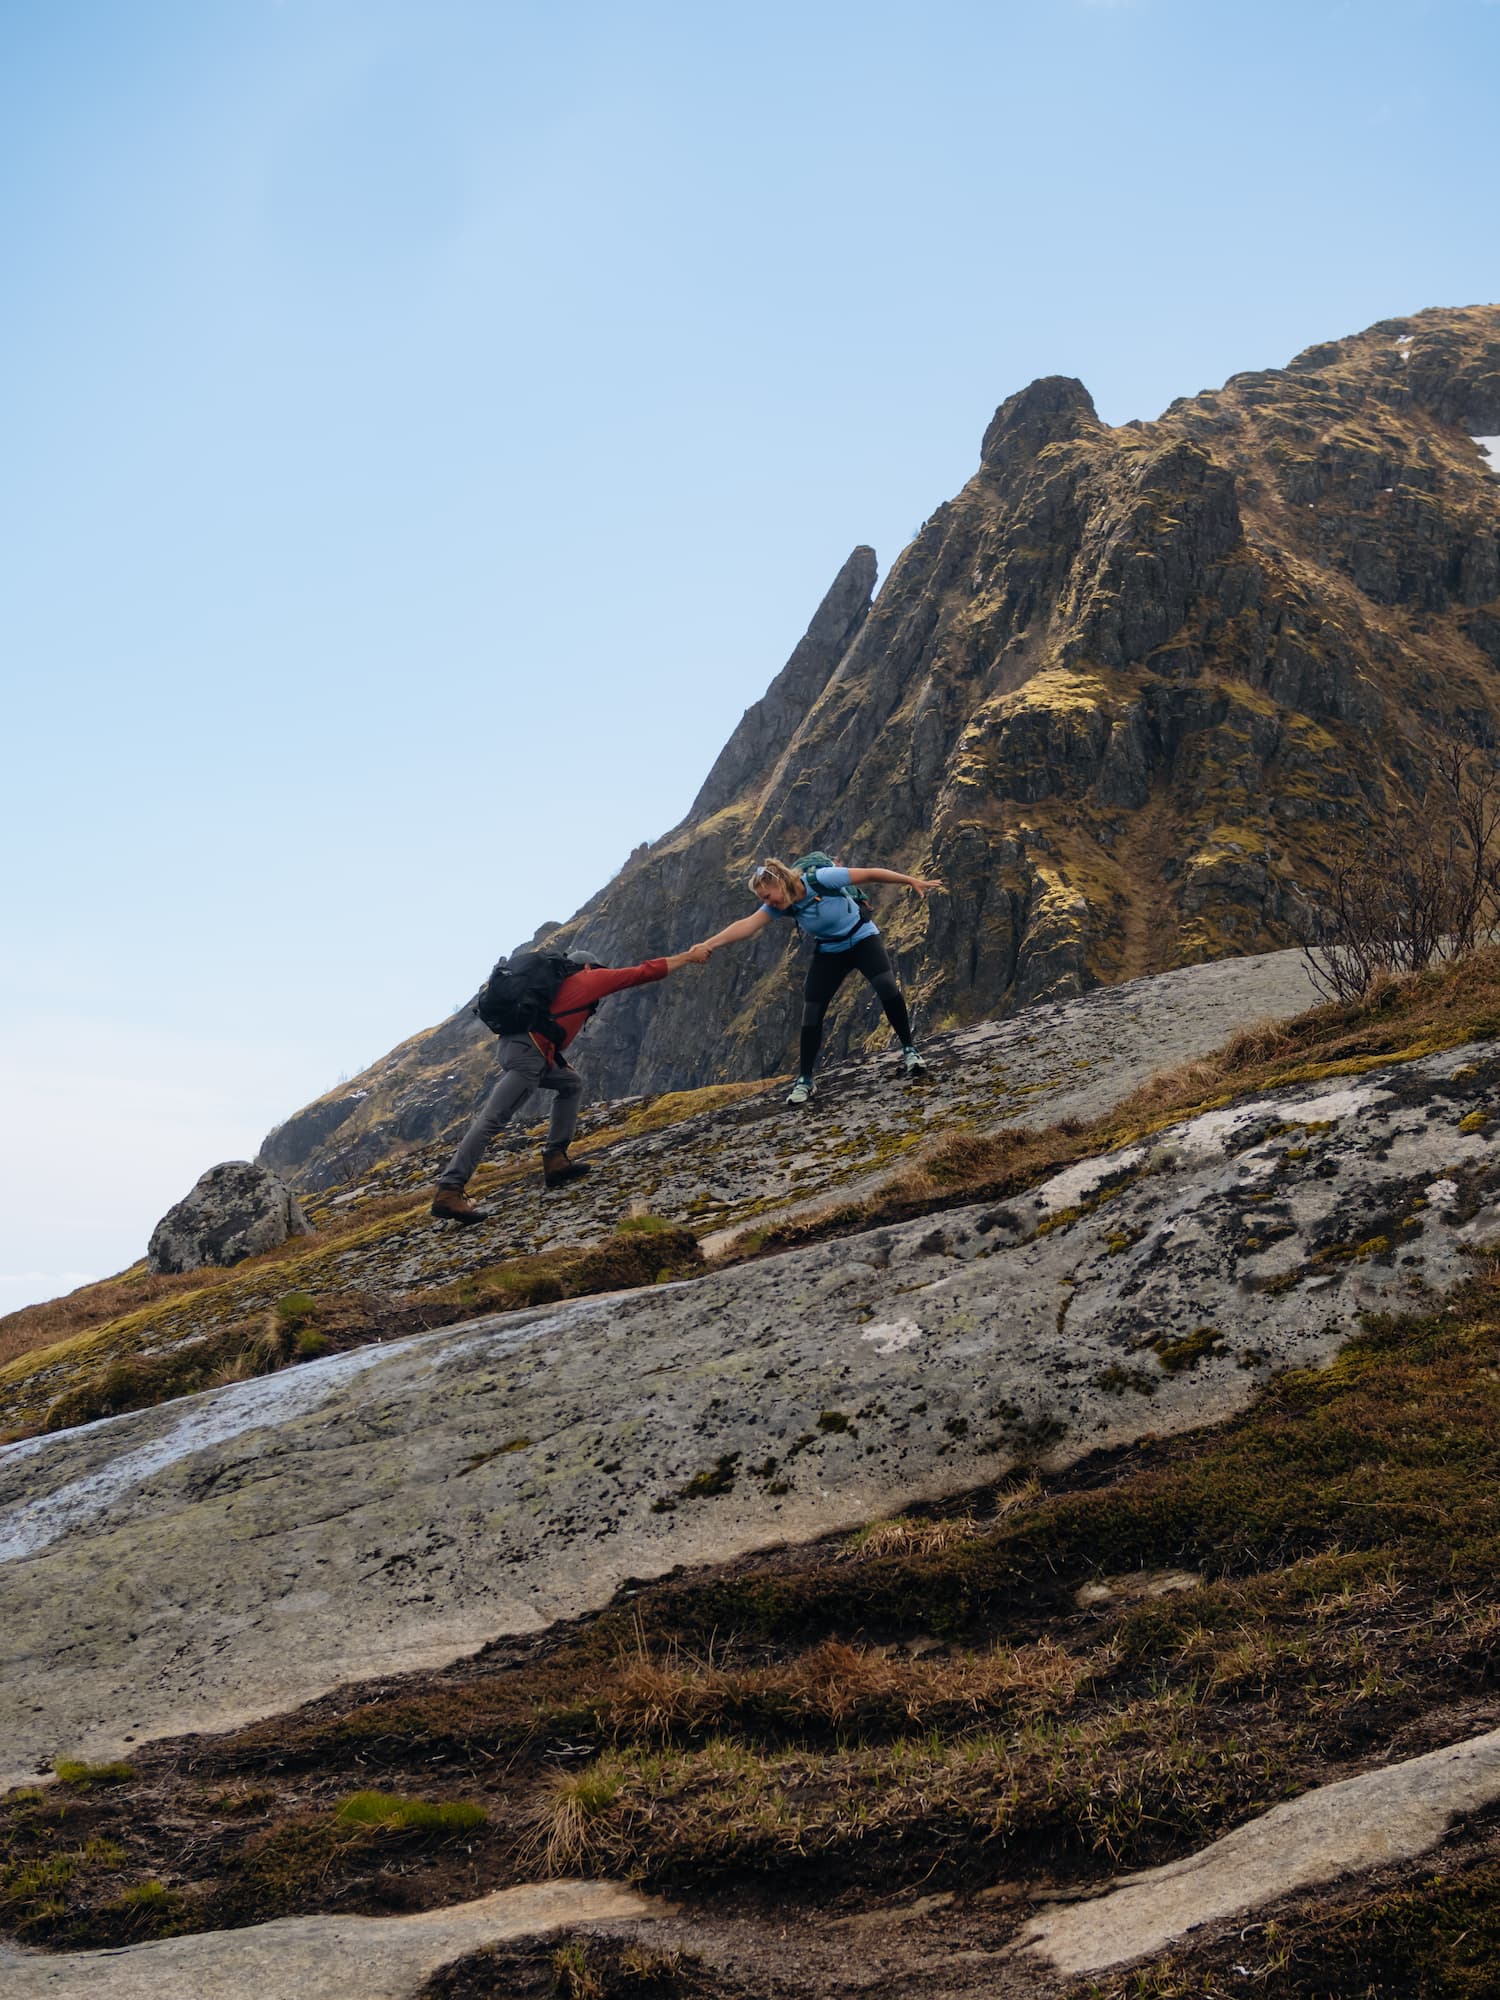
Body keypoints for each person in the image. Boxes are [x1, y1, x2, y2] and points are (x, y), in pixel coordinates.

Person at [430, 944, 711, 1223]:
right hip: (528, 1057)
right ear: (588, 967)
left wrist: (558, 1062)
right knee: (492, 1120)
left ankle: (556, 1160)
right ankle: (450, 1190)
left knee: (570, 1083)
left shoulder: (557, 987)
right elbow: (642, 972)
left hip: (523, 1049)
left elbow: (548, 1027)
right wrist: (688, 957)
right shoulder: (589, 979)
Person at [694, 858, 942, 1104]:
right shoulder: (779, 905)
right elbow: (747, 925)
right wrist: (709, 944)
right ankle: (805, 1080)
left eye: (768, 896)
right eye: (763, 900)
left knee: (886, 986)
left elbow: (869, 874)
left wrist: (910, 880)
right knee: (811, 1012)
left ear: (781, 883)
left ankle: (910, 1050)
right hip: (830, 952)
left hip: (862, 937)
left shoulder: (822, 880)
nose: (768, 903)